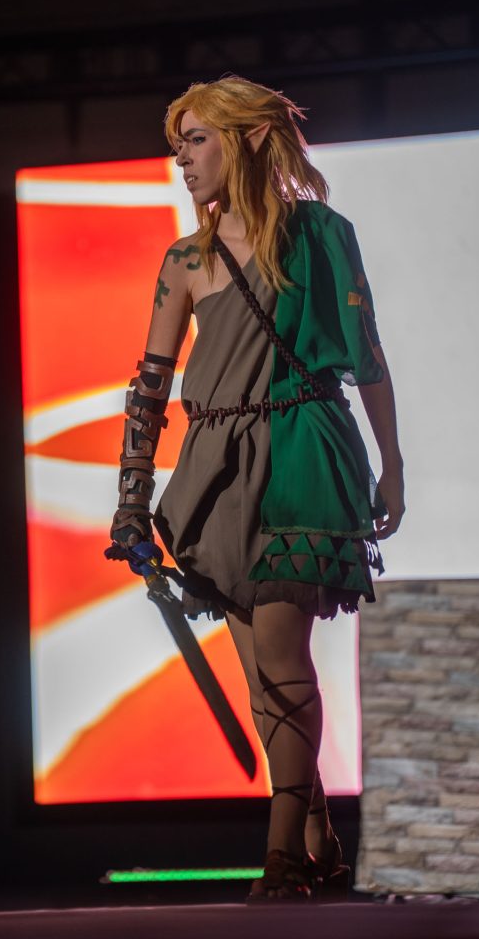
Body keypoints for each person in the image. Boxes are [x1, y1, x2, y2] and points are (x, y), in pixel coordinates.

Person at [107, 75, 405, 901]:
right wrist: (130, 499)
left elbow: (366, 355)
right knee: (260, 679)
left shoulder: (323, 236)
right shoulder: (186, 259)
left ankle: (280, 854)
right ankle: (315, 831)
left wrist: (392, 464)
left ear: (245, 139)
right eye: (177, 146)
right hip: (216, 467)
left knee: (278, 655)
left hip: (305, 447)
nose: (182, 160)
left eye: (196, 140)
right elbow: (149, 386)